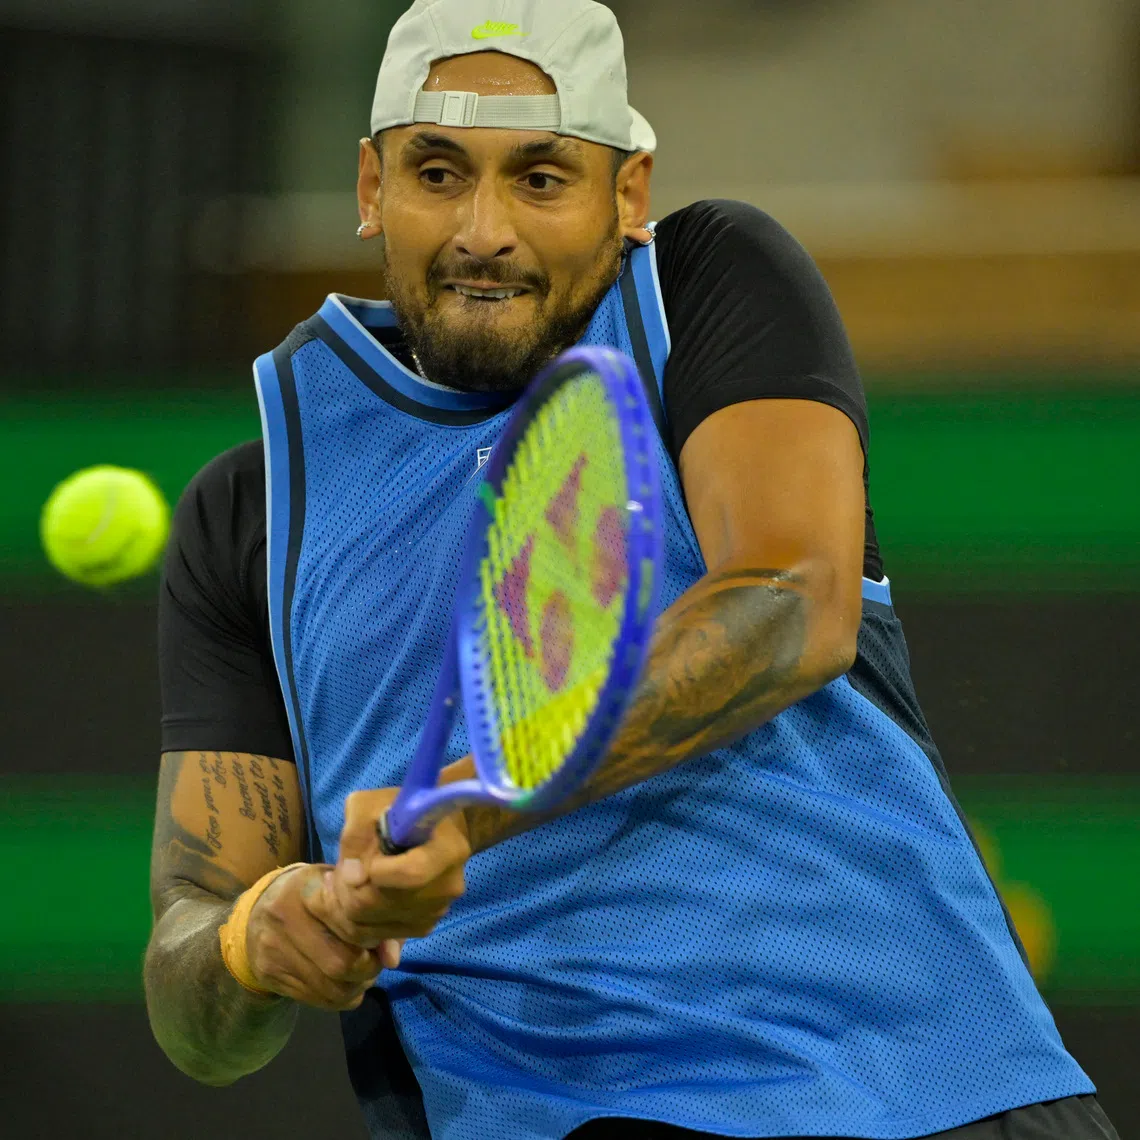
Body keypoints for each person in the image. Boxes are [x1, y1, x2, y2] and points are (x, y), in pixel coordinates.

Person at [144, 2, 1119, 1138]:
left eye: (543, 179)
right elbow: (193, 1004)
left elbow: (793, 602)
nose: (484, 230)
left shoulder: (705, 289)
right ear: (371, 189)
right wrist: (263, 935)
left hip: (913, 1099)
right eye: (439, 172)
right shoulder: (247, 517)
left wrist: (469, 805)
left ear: (630, 195)